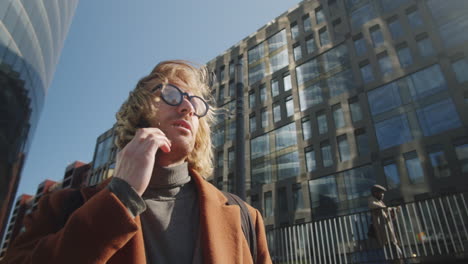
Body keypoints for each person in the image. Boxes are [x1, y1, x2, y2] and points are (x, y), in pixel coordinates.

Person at [1, 60, 272, 264]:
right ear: (139, 111)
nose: (187, 107)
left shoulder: (246, 218)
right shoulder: (62, 207)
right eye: (171, 94)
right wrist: (121, 196)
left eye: (194, 102)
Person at [368, 184, 403, 263]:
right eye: (381, 193)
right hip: (383, 233)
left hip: (389, 233)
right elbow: (373, 205)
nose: (382, 195)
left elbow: (389, 216)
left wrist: (393, 211)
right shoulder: (372, 200)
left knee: (397, 255)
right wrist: (388, 209)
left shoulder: (381, 203)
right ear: (375, 193)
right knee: (395, 254)